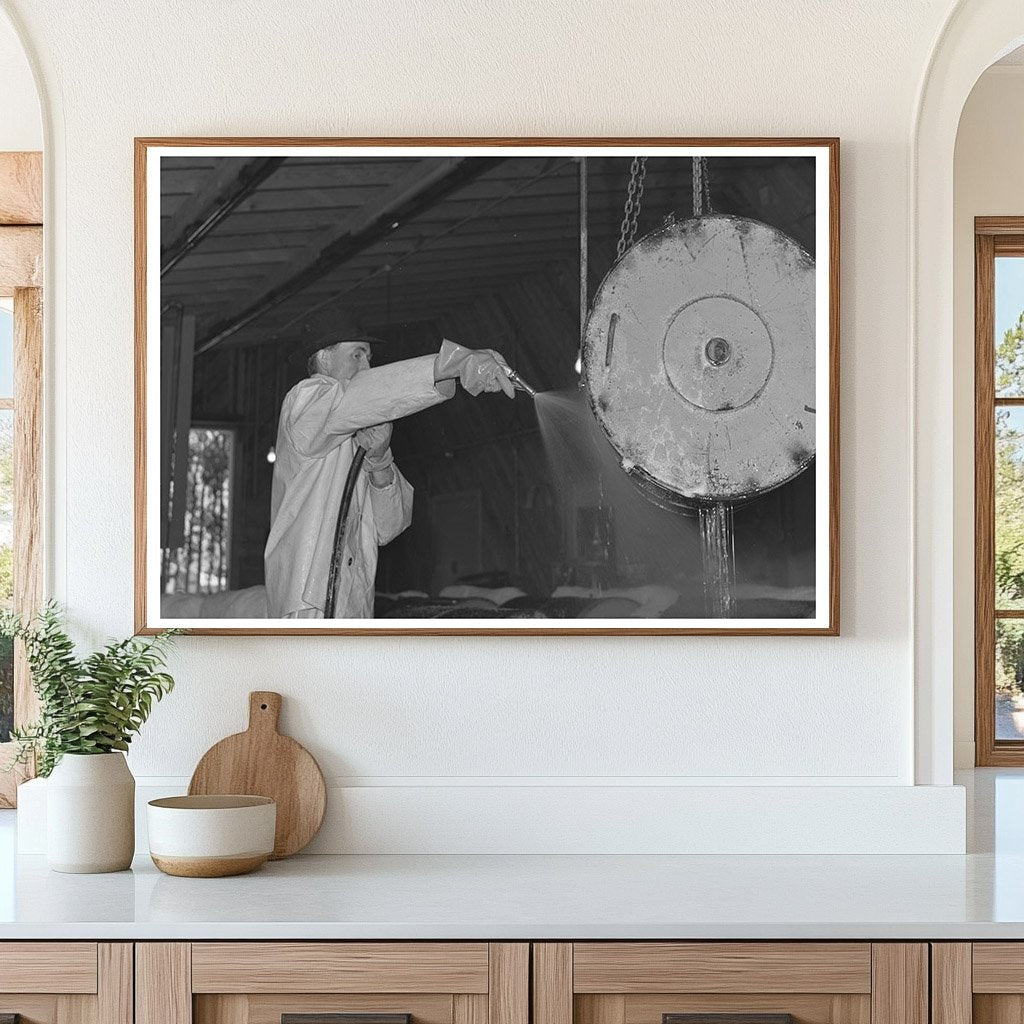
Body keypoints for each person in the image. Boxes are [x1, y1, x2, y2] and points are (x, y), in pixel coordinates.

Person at [265, 333, 514, 618]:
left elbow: (389, 526)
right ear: (324, 357)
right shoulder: (305, 399)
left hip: (353, 603)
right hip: (307, 604)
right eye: (357, 355)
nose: (367, 368)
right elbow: (354, 399)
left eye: (369, 359)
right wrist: (450, 366)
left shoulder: (353, 425)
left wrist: (380, 459)